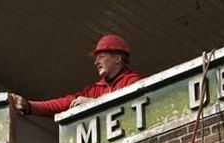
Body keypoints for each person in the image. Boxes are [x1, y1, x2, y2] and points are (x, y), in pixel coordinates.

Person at [10, 34, 142, 117]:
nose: (96, 62)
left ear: (117, 58)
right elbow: (63, 104)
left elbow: (129, 104)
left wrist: (93, 103)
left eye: (101, 56)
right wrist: (29, 106)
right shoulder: (94, 90)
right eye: (96, 58)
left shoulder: (132, 80)